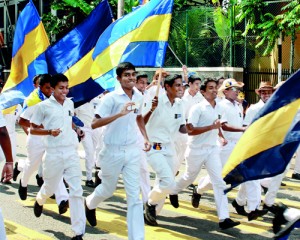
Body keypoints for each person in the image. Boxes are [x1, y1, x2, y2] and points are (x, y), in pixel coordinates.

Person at [85, 62, 151, 240]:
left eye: (133, 74)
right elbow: (94, 123)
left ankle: (136, 237)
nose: (131, 78)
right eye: (127, 75)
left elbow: (139, 118)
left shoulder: (138, 96)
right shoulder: (111, 99)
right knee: (107, 189)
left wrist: (145, 137)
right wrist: (119, 114)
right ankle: (89, 203)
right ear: (119, 78)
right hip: (111, 151)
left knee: (134, 197)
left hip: (132, 151)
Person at [170, 78, 240, 230]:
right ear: (203, 92)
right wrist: (211, 127)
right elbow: (190, 130)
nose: (214, 90)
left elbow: (219, 125)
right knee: (189, 177)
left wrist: (220, 135)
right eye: (210, 88)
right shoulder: (198, 108)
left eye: (215, 88)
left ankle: (224, 218)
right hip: (196, 149)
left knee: (219, 182)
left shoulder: (220, 107)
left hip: (212, 149)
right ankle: (173, 190)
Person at [30, 73, 85, 240]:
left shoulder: (69, 103)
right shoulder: (43, 107)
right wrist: (49, 132)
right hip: (53, 154)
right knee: (50, 187)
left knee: (76, 190)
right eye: (61, 88)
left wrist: (76, 129)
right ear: (52, 89)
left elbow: (69, 120)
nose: (65, 91)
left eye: (67, 87)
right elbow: (33, 129)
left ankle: (78, 232)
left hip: (70, 153)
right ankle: (40, 200)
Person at [143, 74, 187, 226]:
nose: (181, 88)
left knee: (166, 182)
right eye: (177, 85)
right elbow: (141, 122)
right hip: (153, 147)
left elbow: (182, 127)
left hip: (169, 147)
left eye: (182, 85)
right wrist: (151, 110)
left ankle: (152, 211)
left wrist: (201, 129)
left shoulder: (180, 104)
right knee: (168, 182)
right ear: (167, 87)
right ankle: (149, 203)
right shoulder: (155, 101)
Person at [135, 72, 152, 204]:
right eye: (142, 82)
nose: (144, 85)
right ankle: (100, 175)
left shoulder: (146, 95)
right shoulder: (131, 97)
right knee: (110, 175)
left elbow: (141, 119)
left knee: (143, 170)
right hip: (122, 139)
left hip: (139, 137)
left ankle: (147, 202)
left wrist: (145, 137)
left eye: (146, 83)